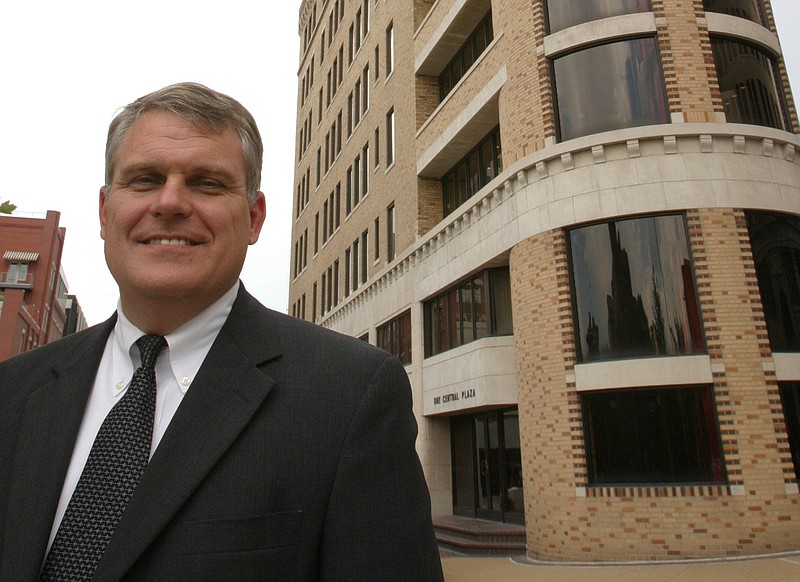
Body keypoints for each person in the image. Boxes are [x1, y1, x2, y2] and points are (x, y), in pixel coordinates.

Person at [0, 82, 443, 581]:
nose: (169, 202)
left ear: (254, 217)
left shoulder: (351, 396)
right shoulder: (13, 393)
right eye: (144, 180)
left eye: (207, 183)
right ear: (105, 212)